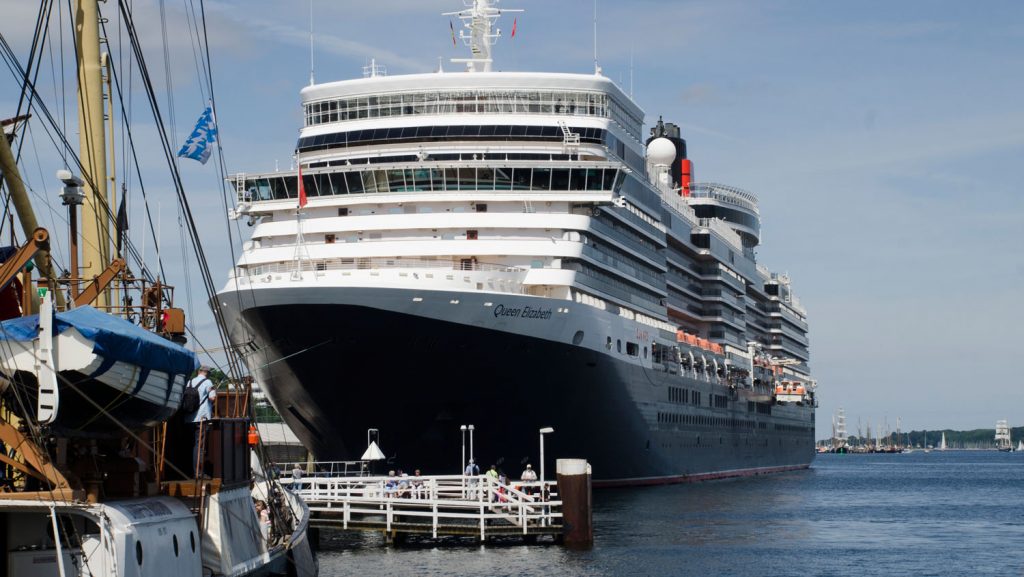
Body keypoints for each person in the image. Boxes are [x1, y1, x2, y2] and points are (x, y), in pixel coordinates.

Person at [186, 365, 216, 477]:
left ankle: (189, 471)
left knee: (190, 444)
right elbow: (212, 398)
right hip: (201, 418)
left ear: (199, 372)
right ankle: (198, 473)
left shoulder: (189, 382)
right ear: (207, 373)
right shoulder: (208, 382)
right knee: (199, 446)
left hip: (188, 418)